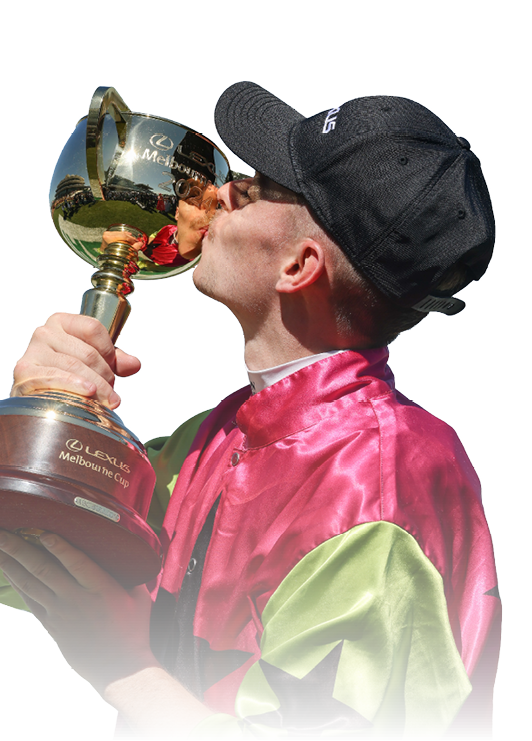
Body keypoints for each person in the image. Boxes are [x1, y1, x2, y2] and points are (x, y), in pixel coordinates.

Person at [0, 82, 501, 740]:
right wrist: (36, 420)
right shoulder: (222, 435)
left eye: (259, 185)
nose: (224, 187)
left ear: (299, 264)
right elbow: (31, 559)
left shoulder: (379, 482)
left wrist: (121, 665)